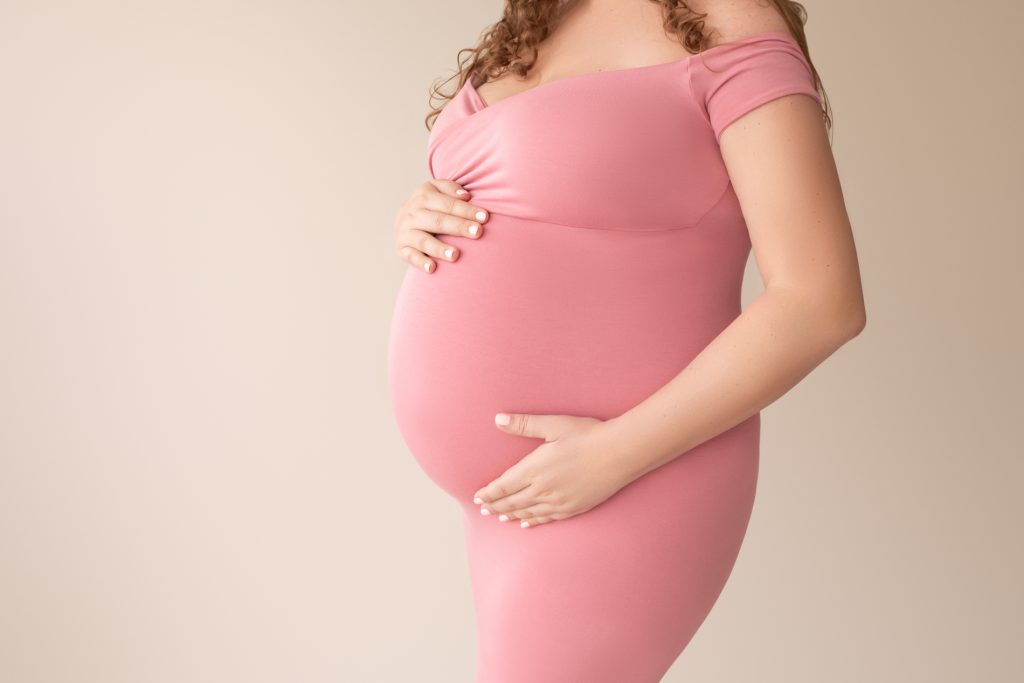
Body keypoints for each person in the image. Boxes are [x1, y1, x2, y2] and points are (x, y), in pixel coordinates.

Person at [387, 0, 865, 680]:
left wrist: (611, 456)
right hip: (517, 496)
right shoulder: (540, 19)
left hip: (626, 477)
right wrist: (419, 212)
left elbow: (821, 299)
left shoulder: (727, 16)